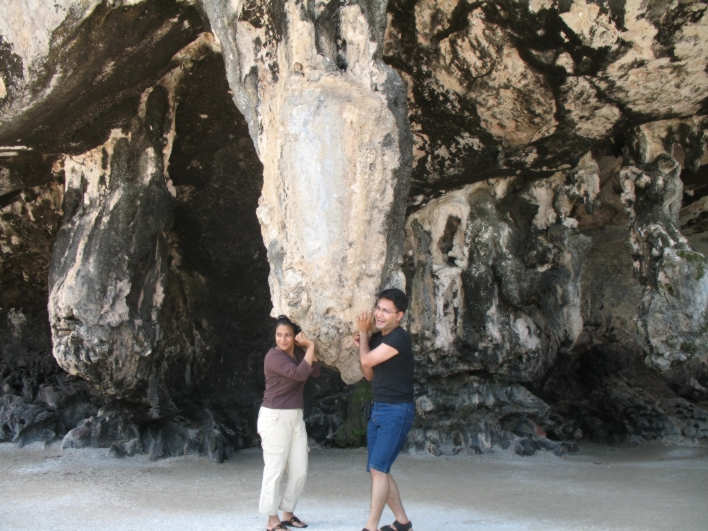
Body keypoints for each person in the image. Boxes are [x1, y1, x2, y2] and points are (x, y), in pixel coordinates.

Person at [353, 288, 415, 531]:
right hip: (378, 409)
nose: (379, 314)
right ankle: (402, 522)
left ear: (399, 315)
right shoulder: (378, 339)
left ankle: (371, 527)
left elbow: (367, 361)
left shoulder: (400, 338)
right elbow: (369, 374)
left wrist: (362, 333)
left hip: (397, 410)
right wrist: (365, 341)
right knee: (381, 469)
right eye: (378, 308)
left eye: (385, 311)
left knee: (379, 468)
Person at [258, 315, 320, 531]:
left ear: (295, 337)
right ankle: (271, 519)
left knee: (299, 469)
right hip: (275, 416)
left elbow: (316, 370)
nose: (282, 340)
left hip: (295, 416)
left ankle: (287, 513)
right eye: (279, 335)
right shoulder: (273, 356)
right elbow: (301, 374)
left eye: (287, 335)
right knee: (274, 469)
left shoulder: (298, 354)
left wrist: (307, 349)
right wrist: (311, 346)